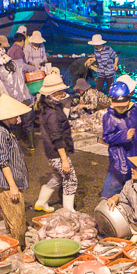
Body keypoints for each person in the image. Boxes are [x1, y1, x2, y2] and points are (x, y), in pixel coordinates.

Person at [0, 94, 32, 247]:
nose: (17, 117)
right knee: (16, 221)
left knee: (13, 219)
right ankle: (18, 250)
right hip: (6, 184)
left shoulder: (5, 129)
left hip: (11, 182)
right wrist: (12, 186)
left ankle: (14, 247)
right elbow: (2, 162)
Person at [33, 71, 76, 212]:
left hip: (51, 151)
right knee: (70, 180)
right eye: (61, 92)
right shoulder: (52, 113)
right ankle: (68, 211)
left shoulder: (48, 106)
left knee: (57, 177)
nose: (63, 93)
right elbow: (56, 137)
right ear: (53, 93)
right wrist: (64, 159)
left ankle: (41, 202)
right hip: (56, 152)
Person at [101, 79, 137, 198]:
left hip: (136, 152)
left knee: (136, 184)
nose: (121, 109)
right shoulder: (109, 116)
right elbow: (106, 137)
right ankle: (106, 205)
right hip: (119, 156)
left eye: (123, 106)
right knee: (114, 184)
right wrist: (123, 136)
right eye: (118, 107)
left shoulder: (135, 109)